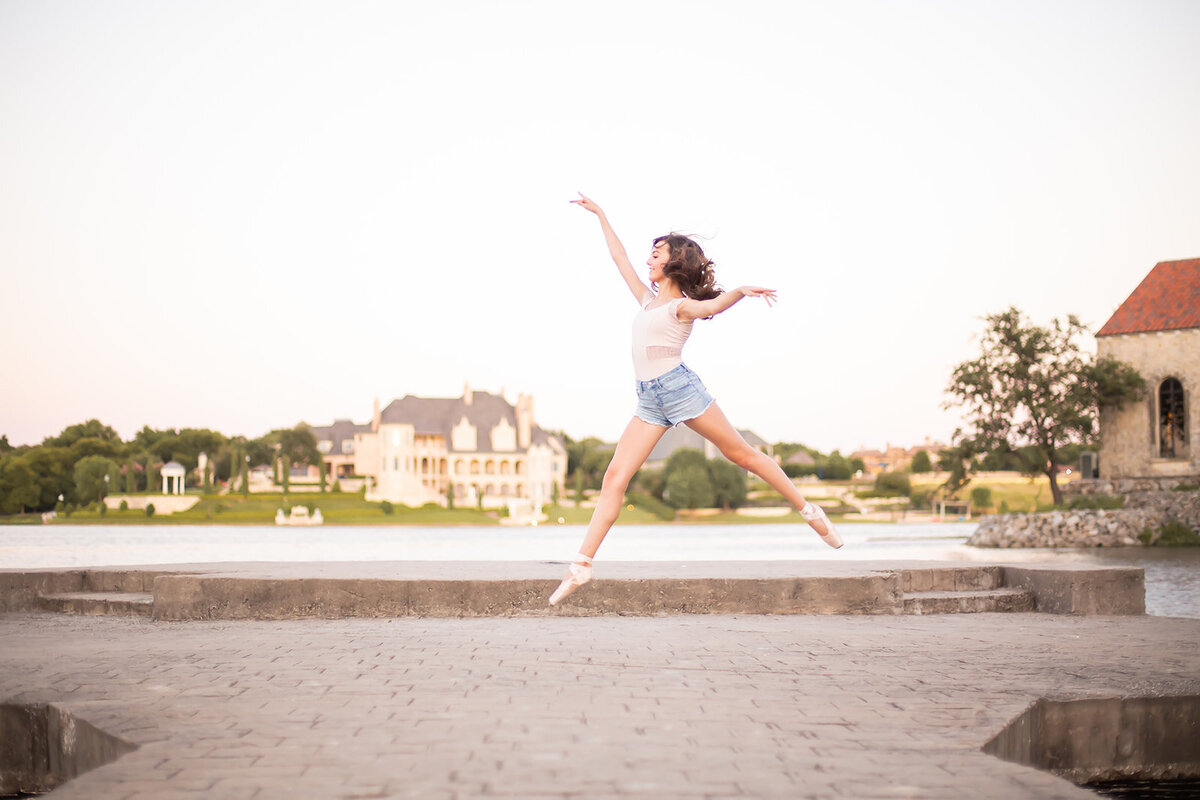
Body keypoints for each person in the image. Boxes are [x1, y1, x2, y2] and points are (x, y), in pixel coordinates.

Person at [549, 193, 844, 606]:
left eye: (656, 254)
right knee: (614, 478)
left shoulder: (681, 308)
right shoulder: (647, 300)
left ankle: (808, 510)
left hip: (680, 389)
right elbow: (618, 259)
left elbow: (714, 307)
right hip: (649, 400)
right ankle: (582, 564)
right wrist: (600, 213)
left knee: (742, 455)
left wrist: (740, 291)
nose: (647, 260)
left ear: (672, 263)